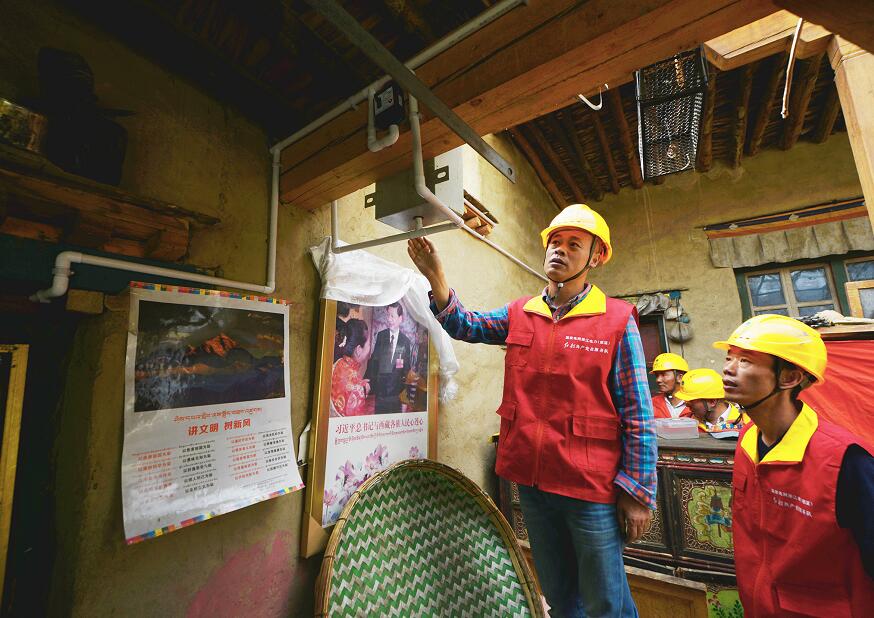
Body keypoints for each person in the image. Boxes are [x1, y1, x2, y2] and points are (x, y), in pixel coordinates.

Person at [408, 203, 656, 618]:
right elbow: (466, 325)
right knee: (559, 595)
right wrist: (436, 277)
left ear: (596, 257)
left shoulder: (616, 321)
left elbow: (638, 414)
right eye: (555, 242)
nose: (559, 250)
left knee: (606, 602)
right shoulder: (522, 312)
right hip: (534, 483)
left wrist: (637, 494)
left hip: (590, 488)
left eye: (573, 244)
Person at [716, 314, 874, 616]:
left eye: (745, 361)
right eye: (729, 358)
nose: (728, 369)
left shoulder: (845, 460)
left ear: (789, 378)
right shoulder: (748, 441)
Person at [365, 302, 412, 413]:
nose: (389, 319)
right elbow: (373, 361)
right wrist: (367, 381)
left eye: (392, 316)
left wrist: (405, 399)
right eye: (388, 315)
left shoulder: (405, 341)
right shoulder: (381, 336)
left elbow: (406, 370)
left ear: (400, 318)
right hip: (380, 393)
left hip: (396, 394)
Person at [672, 368, 746, 434]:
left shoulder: (744, 423)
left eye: (691, 400)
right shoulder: (686, 421)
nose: (686, 404)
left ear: (712, 401)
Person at [330, 318, 371, 417]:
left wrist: (359, 383)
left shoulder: (338, 363)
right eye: (368, 344)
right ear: (358, 350)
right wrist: (360, 389)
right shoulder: (358, 390)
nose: (370, 347)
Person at [650, 352, 689, 418]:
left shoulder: (696, 405)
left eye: (663, 374)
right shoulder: (651, 404)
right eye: (657, 375)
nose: (658, 380)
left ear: (680, 378)